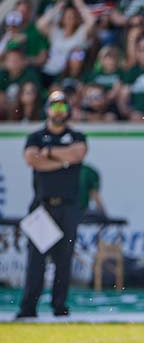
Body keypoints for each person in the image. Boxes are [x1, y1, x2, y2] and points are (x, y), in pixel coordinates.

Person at [16, 90, 87, 319]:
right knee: (36, 261)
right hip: (42, 206)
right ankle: (28, 308)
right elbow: (31, 160)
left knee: (63, 260)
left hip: (68, 206)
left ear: (68, 111)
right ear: (47, 110)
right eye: (54, 107)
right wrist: (62, 161)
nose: (58, 112)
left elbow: (78, 154)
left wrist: (47, 155)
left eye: (62, 108)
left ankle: (59, 306)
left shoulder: (76, 136)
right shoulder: (36, 136)